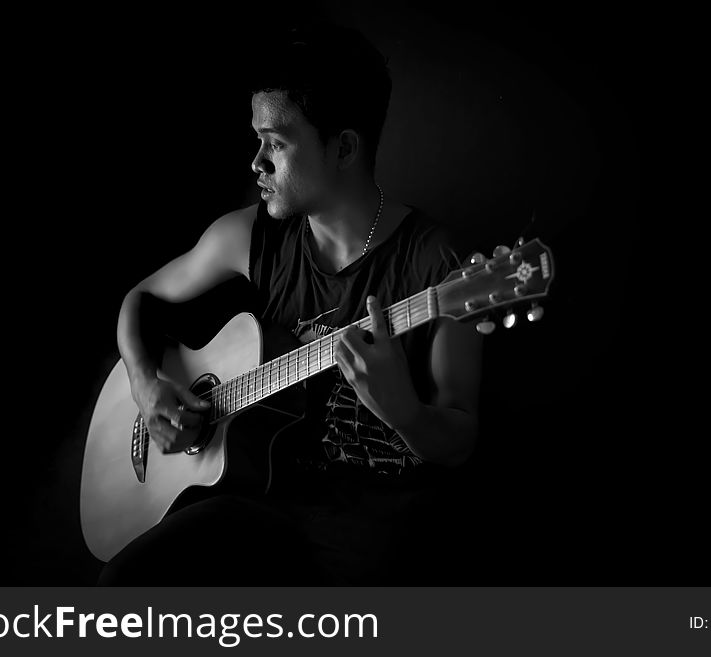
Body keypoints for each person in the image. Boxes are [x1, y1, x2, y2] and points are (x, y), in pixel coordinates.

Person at [99, 22, 483, 585]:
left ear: (344, 147)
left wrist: (407, 413)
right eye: (258, 141)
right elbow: (141, 299)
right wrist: (145, 383)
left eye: (275, 143)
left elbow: (461, 439)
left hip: (373, 525)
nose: (256, 162)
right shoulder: (251, 237)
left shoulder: (441, 265)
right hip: (261, 497)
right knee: (123, 583)